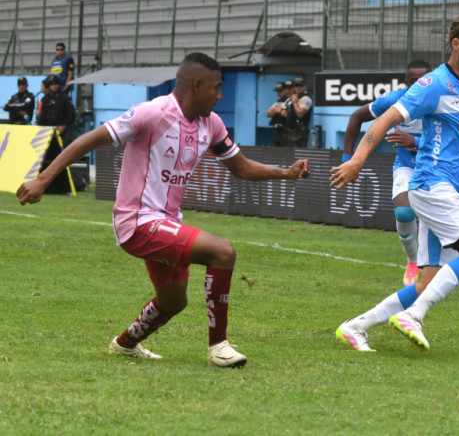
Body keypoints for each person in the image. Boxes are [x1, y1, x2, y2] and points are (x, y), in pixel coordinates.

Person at [17, 53, 311, 367]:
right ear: (197, 86)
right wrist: (43, 180)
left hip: (167, 221)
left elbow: (240, 167)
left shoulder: (211, 123)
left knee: (174, 301)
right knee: (223, 252)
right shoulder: (152, 113)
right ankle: (219, 347)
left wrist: (286, 172)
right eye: (217, 87)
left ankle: (125, 344)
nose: (220, 94)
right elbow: (90, 139)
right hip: (137, 220)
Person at [330, 13, 459, 350]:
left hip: (450, 191)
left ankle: (356, 327)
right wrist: (355, 160)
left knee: (426, 281)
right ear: (456, 45)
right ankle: (413, 316)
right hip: (431, 185)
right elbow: (383, 119)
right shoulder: (434, 86)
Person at [342, 59, 459, 298]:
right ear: (405, 83)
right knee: (404, 213)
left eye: (423, 79)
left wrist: (414, 141)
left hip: (445, 173)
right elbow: (356, 117)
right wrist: (348, 159)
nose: (419, 84)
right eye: (412, 81)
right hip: (409, 168)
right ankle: (411, 260)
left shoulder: (442, 96)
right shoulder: (395, 101)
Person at [37, 74, 76, 140]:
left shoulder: (64, 98)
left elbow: (72, 114)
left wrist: (64, 126)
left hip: (61, 132)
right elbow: (41, 115)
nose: (54, 85)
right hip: (47, 132)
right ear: (48, 86)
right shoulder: (45, 99)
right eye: (52, 84)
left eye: (56, 83)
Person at [282, 79, 312, 147]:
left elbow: (300, 114)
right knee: (288, 154)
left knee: (298, 154)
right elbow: (283, 112)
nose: (298, 87)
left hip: (300, 131)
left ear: (305, 87)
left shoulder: (306, 98)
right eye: (296, 85)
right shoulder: (292, 97)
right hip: (290, 130)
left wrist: (295, 102)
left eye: (300, 85)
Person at [266, 80, 291, 147]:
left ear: (286, 90)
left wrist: (275, 110)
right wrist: (276, 110)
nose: (279, 93)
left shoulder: (289, 100)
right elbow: (268, 114)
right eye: (277, 91)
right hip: (276, 129)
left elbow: (283, 112)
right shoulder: (277, 102)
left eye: (281, 91)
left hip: (285, 130)